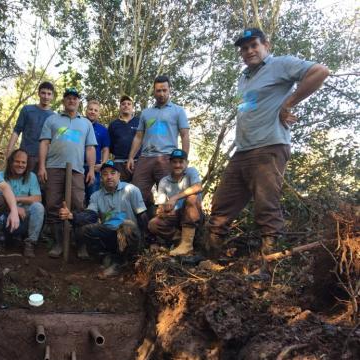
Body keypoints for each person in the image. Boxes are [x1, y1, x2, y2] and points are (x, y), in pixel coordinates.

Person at [206, 28, 330, 255]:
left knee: (266, 204)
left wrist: (288, 104)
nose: (249, 51)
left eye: (254, 45)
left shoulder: (279, 65)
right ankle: (211, 257)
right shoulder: (244, 77)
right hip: (243, 149)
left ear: (266, 45)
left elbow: (320, 71)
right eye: (244, 48)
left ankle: (270, 262)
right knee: (222, 203)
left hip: (269, 146)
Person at [59, 160, 148, 278]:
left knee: (126, 225)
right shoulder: (96, 195)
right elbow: (90, 215)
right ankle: (108, 256)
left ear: (119, 175)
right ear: (101, 177)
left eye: (112, 173)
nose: (109, 177)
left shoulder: (131, 190)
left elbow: (142, 216)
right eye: (105, 174)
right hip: (111, 234)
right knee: (85, 230)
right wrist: (72, 216)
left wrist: (145, 242)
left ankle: (120, 263)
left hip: (130, 234)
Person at [38, 88, 97, 258]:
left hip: (77, 170)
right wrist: (42, 166)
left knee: (78, 205)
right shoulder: (52, 119)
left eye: (75, 98)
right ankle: (58, 243)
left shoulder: (85, 123)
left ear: (79, 102)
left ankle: (80, 245)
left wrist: (91, 169)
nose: (72, 101)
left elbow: (90, 147)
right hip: (54, 167)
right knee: (52, 205)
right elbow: (44, 143)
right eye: (69, 98)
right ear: (64, 101)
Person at [126, 76, 190, 208]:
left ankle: (168, 227)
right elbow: (138, 136)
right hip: (145, 158)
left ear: (169, 90)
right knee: (135, 196)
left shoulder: (178, 111)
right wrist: (131, 157)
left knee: (169, 198)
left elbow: (185, 135)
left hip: (167, 158)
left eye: (164, 90)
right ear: (154, 92)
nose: (161, 93)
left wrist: (183, 159)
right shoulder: (146, 113)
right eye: (158, 90)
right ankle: (138, 227)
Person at [0, 149, 44, 258]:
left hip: (24, 218)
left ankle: (30, 244)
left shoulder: (31, 177)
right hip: (4, 218)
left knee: (38, 207)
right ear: (11, 162)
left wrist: (16, 200)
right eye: (17, 161)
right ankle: (0, 243)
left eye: (23, 162)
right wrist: (14, 208)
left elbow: (38, 198)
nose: (20, 165)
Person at [148, 149, 202, 256]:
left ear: (187, 163)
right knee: (153, 224)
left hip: (193, 215)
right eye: (174, 162)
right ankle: (181, 240)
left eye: (181, 162)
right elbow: (161, 206)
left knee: (192, 198)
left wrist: (174, 198)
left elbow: (198, 187)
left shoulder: (191, 171)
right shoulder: (164, 181)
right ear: (170, 163)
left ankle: (187, 244)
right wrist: (164, 209)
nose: (178, 165)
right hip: (175, 216)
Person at [3, 82, 55, 173]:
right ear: (38, 93)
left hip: (44, 160)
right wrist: (9, 152)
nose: (46, 96)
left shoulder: (54, 117)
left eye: (49, 94)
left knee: (40, 186)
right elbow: (16, 131)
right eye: (43, 93)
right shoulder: (27, 110)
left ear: (52, 96)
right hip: (25, 157)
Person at [108, 95, 140, 182]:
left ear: (132, 107)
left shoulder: (140, 122)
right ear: (120, 107)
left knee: (138, 191)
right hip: (119, 163)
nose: (126, 105)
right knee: (120, 191)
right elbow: (110, 146)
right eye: (123, 104)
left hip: (137, 162)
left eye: (129, 104)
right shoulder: (113, 125)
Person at [84, 99, 110, 205]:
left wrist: (103, 164)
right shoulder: (79, 124)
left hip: (94, 169)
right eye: (90, 109)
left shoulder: (103, 130)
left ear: (98, 113)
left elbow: (105, 149)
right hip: (77, 167)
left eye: (95, 110)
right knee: (77, 197)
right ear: (86, 111)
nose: (93, 112)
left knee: (92, 198)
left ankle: (91, 220)